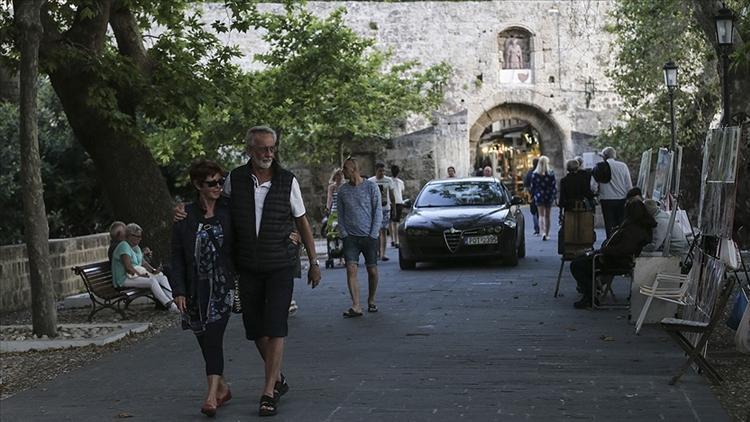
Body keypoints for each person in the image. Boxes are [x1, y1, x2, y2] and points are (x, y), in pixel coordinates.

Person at [225, 126, 321, 417]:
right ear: (249, 150)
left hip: (280, 263)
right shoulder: (235, 179)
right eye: (262, 148)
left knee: (276, 325)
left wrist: (313, 262)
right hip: (247, 267)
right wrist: (185, 213)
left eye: (271, 148)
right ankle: (277, 377)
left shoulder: (286, 180)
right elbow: (219, 211)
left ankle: (268, 391)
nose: (268, 153)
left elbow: (302, 221)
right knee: (255, 328)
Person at [170, 159, 234, 417]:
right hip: (195, 289)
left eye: (220, 181)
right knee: (204, 341)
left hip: (221, 286)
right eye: (212, 183)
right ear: (198, 185)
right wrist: (179, 290)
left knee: (214, 338)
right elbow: (176, 255)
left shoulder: (229, 209)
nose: (218, 186)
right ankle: (222, 388)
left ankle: (210, 398)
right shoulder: (184, 215)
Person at [569, 200, 657, 308]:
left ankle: (590, 296)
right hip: (615, 257)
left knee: (577, 265)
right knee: (581, 260)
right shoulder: (640, 226)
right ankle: (590, 294)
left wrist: (605, 250)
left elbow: (624, 249)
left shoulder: (633, 229)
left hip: (614, 260)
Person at [338, 157, 382, 318]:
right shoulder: (342, 191)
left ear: (354, 169)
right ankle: (356, 305)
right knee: (351, 269)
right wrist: (344, 234)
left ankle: (371, 300)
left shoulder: (371, 187)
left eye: (345, 169)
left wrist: (373, 233)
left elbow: (377, 211)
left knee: (372, 270)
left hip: (369, 236)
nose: (343, 171)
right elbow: (340, 215)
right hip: (350, 237)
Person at [111, 223, 178, 312]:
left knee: (162, 278)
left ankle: (173, 300)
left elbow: (143, 262)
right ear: (130, 236)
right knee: (151, 281)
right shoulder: (123, 246)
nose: (140, 239)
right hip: (123, 279)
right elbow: (128, 268)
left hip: (134, 276)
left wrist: (154, 271)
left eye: (140, 236)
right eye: (137, 236)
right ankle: (169, 305)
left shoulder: (136, 247)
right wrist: (142, 275)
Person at [597, 147, 633, 238]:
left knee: (609, 224)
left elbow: (593, 186)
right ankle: (621, 244)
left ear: (604, 156)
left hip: (606, 199)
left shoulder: (600, 167)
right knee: (621, 224)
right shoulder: (623, 166)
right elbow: (628, 184)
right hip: (621, 199)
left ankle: (610, 244)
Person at [368, 163, 395, 261]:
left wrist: (394, 208)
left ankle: (383, 253)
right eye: (380, 171)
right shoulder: (371, 181)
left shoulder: (388, 180)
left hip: (385, 209)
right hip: (374, 209)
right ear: (376, 171)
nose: (382, 173)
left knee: (383, 231)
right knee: (375, 232)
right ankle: (377, 252)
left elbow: (392, 196)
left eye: (383, 171)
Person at [529, 156, 557, 241]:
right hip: (548, 195)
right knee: (547, 216)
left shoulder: (535, 174)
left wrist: (533, 195)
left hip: (539, 195)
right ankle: (547, 233)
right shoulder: (551, 173)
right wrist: (554, 195)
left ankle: (543, 232)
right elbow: (553, 186)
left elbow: (532, 187)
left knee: (540, 215)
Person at [389, 165, 405, 248]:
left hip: (398, 202)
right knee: (393, 221)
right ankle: (394, 240)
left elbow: (401, 191)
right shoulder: (390, 181)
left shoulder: (400, 182)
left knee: (394, 221)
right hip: (393, 202)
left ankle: (395, 240)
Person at [523, 158, 540, 235]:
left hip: (532, 195)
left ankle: (536, 229)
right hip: (541, 194)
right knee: (541, 212)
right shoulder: (541, 172)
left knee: (534, 212)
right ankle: (542, 228)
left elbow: (526, 184)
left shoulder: (530, 172)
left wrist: (526, 193)